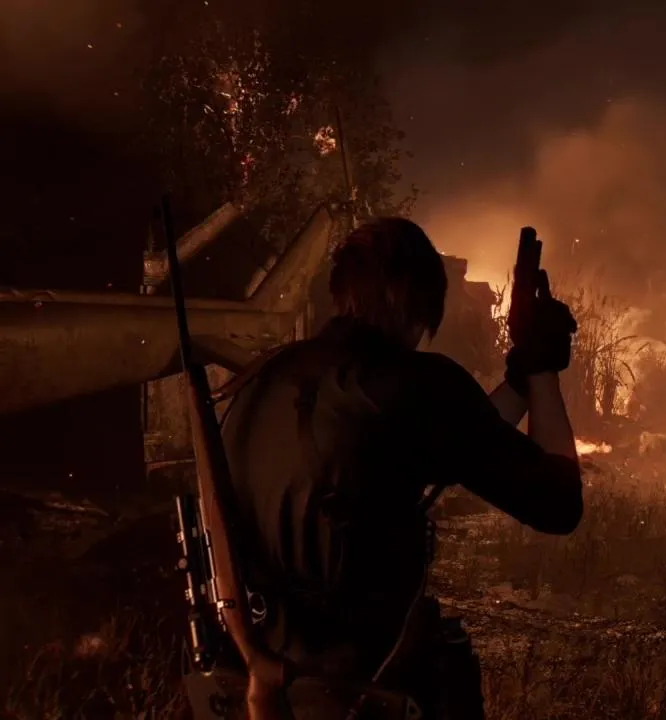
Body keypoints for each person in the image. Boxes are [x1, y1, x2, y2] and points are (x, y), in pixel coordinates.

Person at [213, 217, 583, 718]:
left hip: (255, 673)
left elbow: (459, 442)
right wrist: (542, 369)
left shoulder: (267, 377)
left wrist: (520, 373)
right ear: (420, 302)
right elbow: (558, 504)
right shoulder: (411, 384)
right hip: (359, 685)